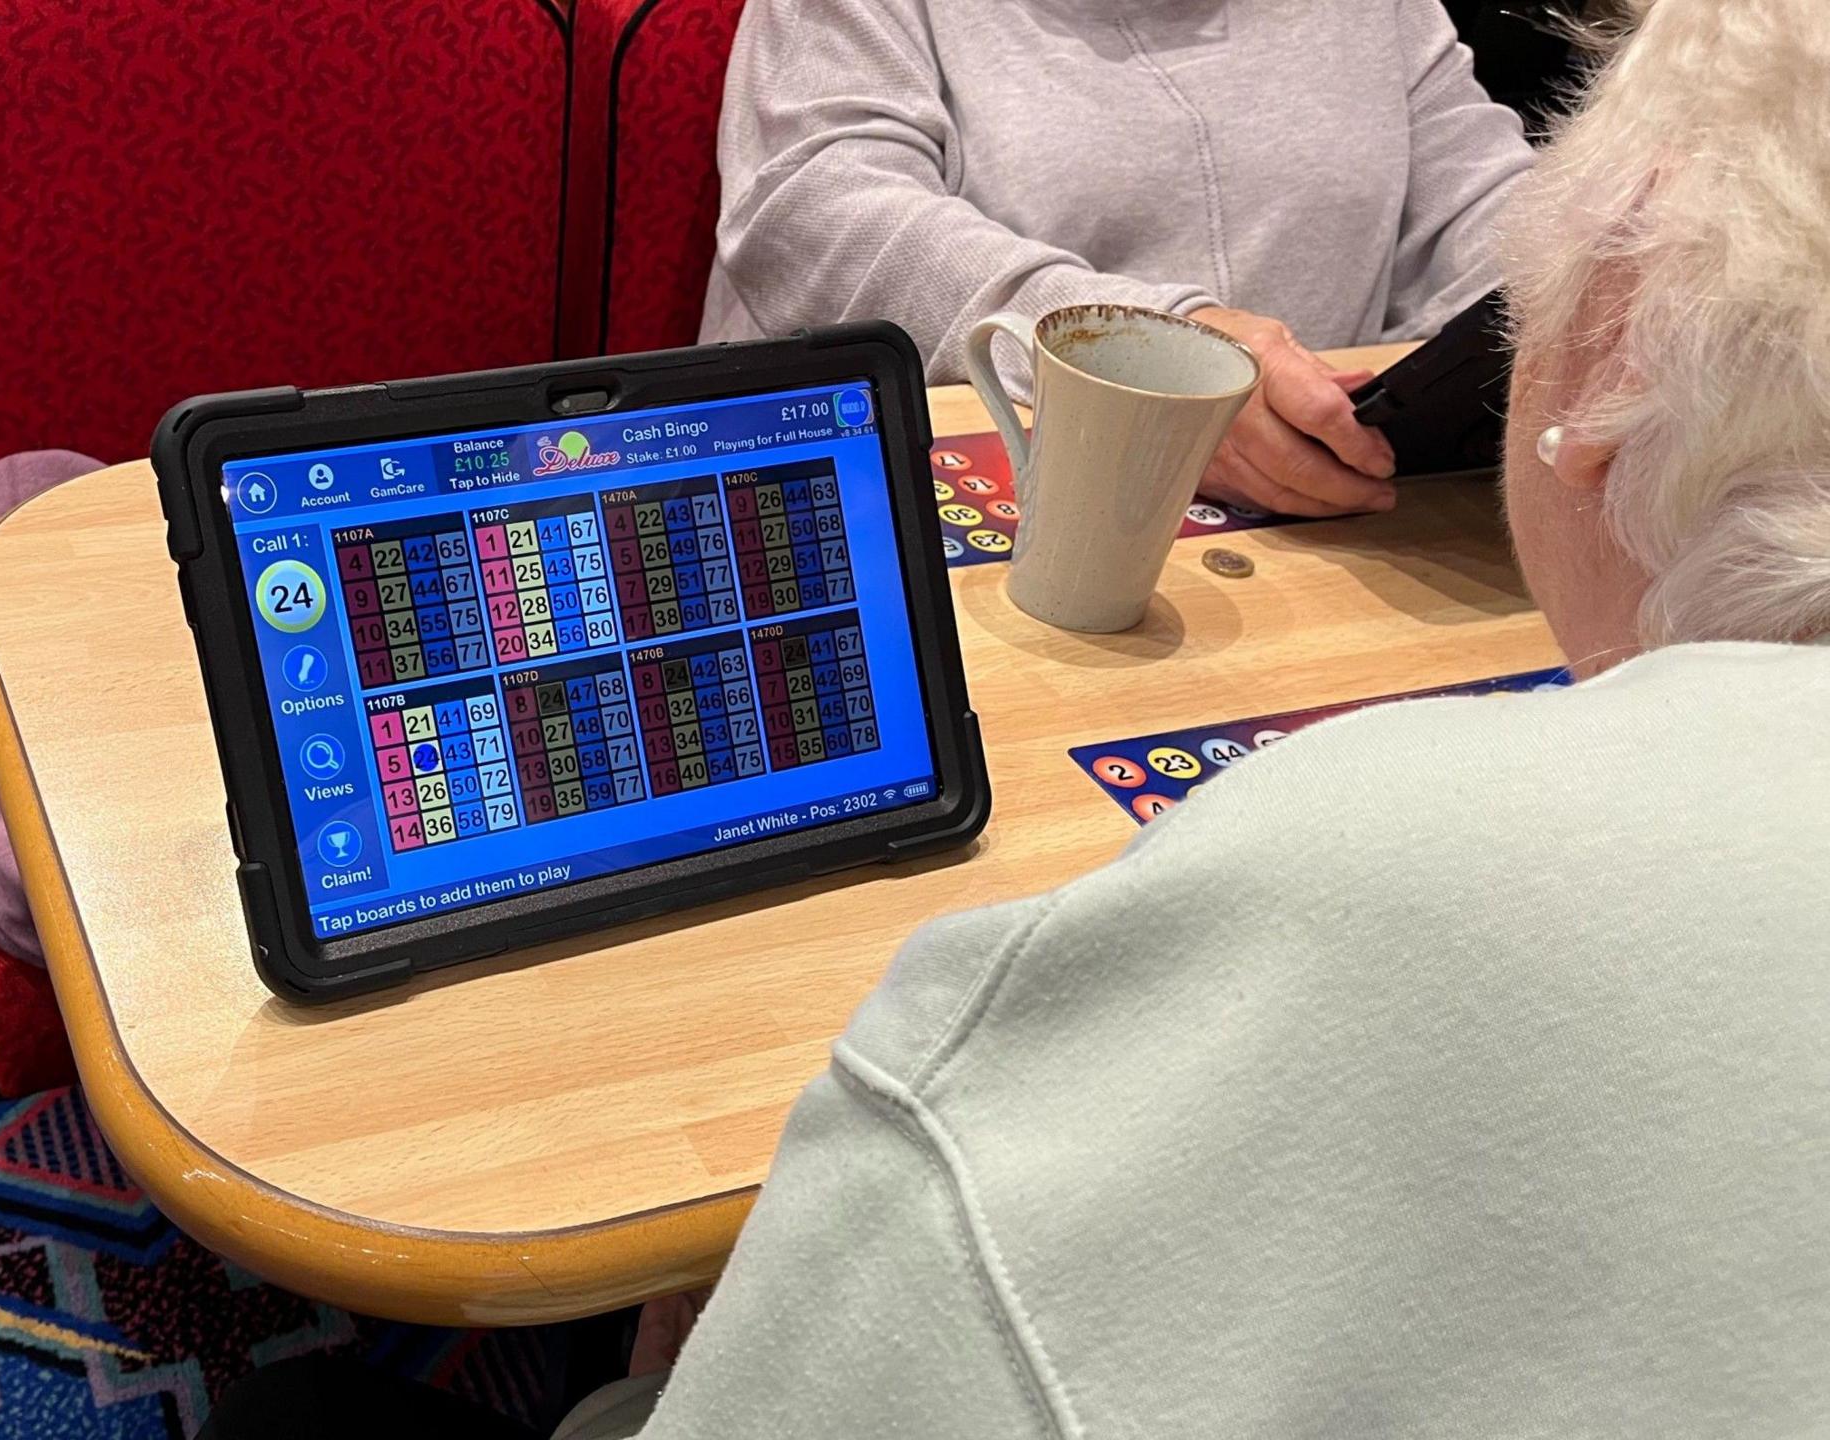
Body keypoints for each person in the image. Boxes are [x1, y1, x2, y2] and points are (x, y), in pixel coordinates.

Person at [545, 0, 1830, 1433]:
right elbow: (820, 217)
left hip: (1318, 593)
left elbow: (1504, 222)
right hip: (944, 595)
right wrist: (1157, 344)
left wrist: (1458, 357)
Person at [701, 0, 1536, 517]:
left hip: (1343, 530)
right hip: (954, 527)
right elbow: (816, 216)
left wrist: (1588, 283)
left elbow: (1491, 209)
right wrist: (1151, 360)